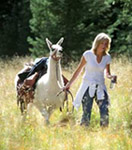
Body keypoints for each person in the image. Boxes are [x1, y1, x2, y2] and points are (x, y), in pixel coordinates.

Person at [63, 33, 117, 127]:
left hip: (100, 86)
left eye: (106, 44)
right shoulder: (88, 54)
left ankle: (104, 134)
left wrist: (112, 77)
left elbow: (107, 73)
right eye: (102, 43)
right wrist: (69, 84)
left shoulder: (107, 57)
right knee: (86, 112)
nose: (104, 46)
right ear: (97, 43)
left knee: (105, 111)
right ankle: (84, 133)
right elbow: (78, 70)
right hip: (87, 86)